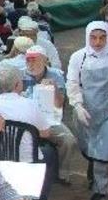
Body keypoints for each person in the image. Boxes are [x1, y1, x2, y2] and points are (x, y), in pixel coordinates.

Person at [65, 21, 108, 200]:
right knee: (89, 148)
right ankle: (95, 173)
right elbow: (72, 82)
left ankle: (100, 192)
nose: (97, 42)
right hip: (87, 110)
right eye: (93, 37)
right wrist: (77, 104)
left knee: (106, 150)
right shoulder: (78, 57)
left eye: (102, 38)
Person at [22, 45, 77, 184]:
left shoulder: (56, 75)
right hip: (25, 120)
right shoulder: (20, 75)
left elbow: (59, 104)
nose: (31, 64)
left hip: (49, 120)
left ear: (45, 61)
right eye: (28, 60)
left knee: (69, 141)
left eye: (35, 60)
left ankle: (62, 174)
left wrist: (54, 89)